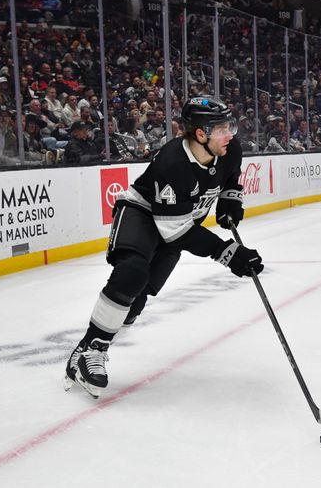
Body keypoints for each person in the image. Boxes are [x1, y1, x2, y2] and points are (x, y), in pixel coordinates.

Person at [64, 96, 263, 399]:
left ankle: (93, 343)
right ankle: (90, 350)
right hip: (142, 214)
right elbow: (177, 233)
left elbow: (230, 177)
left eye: (230, 126)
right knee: (131, 273)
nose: (230, 134)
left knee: (135, 303)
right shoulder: (173, 162)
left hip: (177, 222)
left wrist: (230, 199)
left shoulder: (229, 149)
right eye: (222, 128)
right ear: (200, 134)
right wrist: (228, 253)